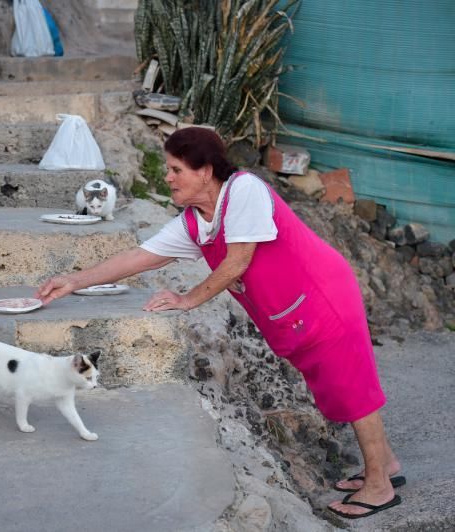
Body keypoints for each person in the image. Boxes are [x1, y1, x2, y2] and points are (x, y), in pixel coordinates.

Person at [35, 127, 403, 519]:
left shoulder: (244, 191)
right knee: (335, 388)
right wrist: (74, 280)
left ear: (206, 171)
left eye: (176, 169)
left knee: (353, 389)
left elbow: (238, 261)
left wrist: (188, 299)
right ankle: (385, 466)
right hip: (295, 316)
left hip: (325, 298)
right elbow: (141, 257)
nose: (168, 177)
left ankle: (379, 487)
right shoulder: (196, 222)